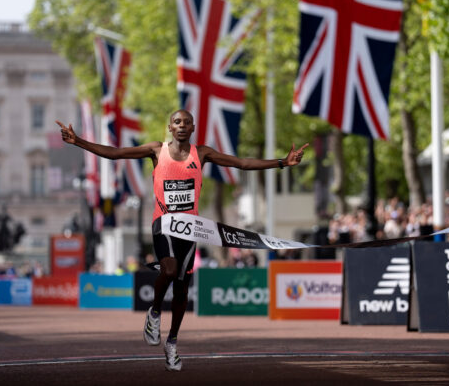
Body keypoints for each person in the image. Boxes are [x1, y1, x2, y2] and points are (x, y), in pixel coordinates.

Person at [56, 110, 308, 371]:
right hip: (163, 224)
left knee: (181, 289)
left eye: (187, 122)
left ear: (193, 127)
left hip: (190, 229)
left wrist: (282, 162)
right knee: (169, 269)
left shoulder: (203, 153)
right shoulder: (156, 151)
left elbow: (241, 163)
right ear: (170, 127)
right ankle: (154, 313)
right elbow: (116, 153)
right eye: (177, 122)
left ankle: (172, 342)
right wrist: (79, 141)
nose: (182, 126)